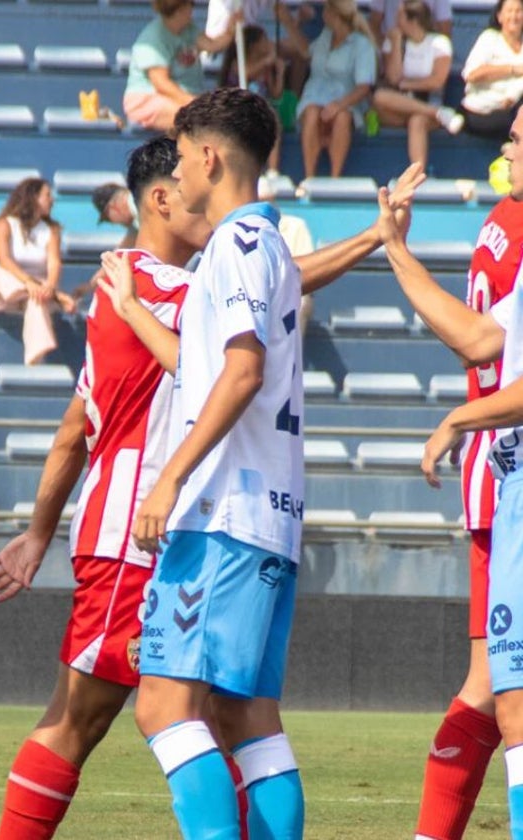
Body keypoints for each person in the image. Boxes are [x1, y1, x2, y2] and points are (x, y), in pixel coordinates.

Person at [0, 137, 213, 840]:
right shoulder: (152, 285)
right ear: (159, 199)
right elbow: (276, 288)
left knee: (208, 713)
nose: (209, 204)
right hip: (130, 534)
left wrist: (41, 532)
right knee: (79, 716)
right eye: (195, 187)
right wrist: (371, 240)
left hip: (156, 529)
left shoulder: (125, 291)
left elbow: (74, 428)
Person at [126, 87, 305, 840]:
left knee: (164, 706)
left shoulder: (234, 245)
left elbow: (241, 372)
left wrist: (168, 477)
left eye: (180, 150)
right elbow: (214, 372)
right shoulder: (269, 246)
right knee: (244, 713)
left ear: (207, 155)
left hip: (221, 512)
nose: (176, 168)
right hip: (269, 514)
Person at [373, 164, 523, 839]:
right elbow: (488, 339)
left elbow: (481, 339)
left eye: (518, 136)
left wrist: (398, 254)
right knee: (495, 685)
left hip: (500, 463)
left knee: (495, 687)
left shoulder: (505, 223)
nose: (506, 148)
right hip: (504, 467)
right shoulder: (505, 219)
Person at [0, 178, 77, 366]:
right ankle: (57, 296)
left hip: (39, 294)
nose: (52, 200)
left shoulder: (51, 230)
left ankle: (34, 360)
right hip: (6, 294)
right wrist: (28, 283)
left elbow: (54, 263)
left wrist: (49, 286)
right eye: (47, 195)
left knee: (36, 300)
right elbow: (3, 258)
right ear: (33, 197)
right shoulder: (5, 223)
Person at [284, 0, 377, 179]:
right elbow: (306, 52)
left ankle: (335, 177)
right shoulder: (325, 36)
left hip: (346, 101)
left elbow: (364, 86)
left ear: (335, 15)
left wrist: (339, 105)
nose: (323, 13)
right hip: (314, 96)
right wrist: (288, 22)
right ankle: (309, 176)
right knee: (311, 112)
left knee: (342, 117)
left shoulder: (362, 44)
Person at [370, 0, 464, 169]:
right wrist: (397, 43)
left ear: (412, 21)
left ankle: (416, 176)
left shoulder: (439, 43)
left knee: (417, 120)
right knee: (379, 97)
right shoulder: (393, 41)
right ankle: (439, 113)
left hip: (427, 103)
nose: (396, 21)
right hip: (399, 107)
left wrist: (407, 85)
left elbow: (437, 82)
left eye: (400, 16)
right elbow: (393, 78)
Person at [123, 0, 237, 132]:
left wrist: (231, 29)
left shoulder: (189, 29)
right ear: (180, 9)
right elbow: (161, 83)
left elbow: (212, 45)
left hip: (182, 99)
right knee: (195, 120)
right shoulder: (154, 37)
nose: (192, 9)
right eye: (190, 4)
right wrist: (195, 103)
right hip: (147, 100)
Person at [220, 24, 288, 176]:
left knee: (274, 121)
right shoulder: (237, 63)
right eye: (264, 40)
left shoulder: (266, 67)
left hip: (260, 108)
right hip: (237, 107)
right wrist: (267, 60)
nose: (268, 43)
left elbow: (276, 94)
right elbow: (246, 74)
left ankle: (272, 170)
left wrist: (280, 73)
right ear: (253, 44)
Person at [459, 0, 523, 140]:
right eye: (509, 11)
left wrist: (512, 95)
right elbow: (472, 74)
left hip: (512, 109)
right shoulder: (489, 39)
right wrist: (511, 69)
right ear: (499, 16)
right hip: (481, 112)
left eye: (518, 11)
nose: (514, 16)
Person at [371, 0, 453, 40]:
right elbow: (374, 25)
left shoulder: (437, 48)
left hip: (426, 55)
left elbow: (445, 31)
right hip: (392, 50)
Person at [91, 182, 138, 249]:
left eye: (108, 219)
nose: (113, 223)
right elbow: (133, 233)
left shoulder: (137, 209)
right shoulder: (140, 194)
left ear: (112, 208)